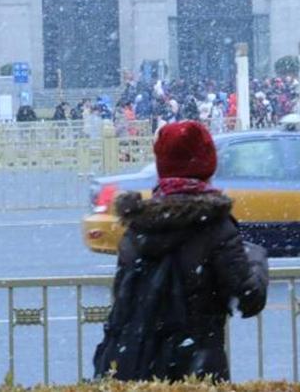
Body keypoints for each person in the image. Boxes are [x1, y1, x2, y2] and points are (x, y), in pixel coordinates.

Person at [94, 121, 267, 382]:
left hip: (141, 367)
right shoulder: (215, 226)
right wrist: (256, 258)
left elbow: (123, 295)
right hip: (198, 369)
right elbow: (250, 298)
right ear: (207, 166)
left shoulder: (137, 227)